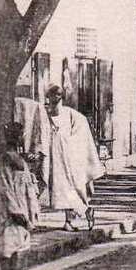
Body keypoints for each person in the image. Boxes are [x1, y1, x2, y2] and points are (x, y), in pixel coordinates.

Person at [0, 122, 41, 270]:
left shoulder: (18, 157)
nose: (19, 137)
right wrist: (15, 210)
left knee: (16, 244)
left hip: (20, 205)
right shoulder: (7, 158)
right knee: (7, 245)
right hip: (9, 208)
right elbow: (5, 186)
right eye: (17, 135)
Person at [44, 85, 104, 231]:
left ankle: (76, 216)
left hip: (68, 157)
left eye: (57, 96)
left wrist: (72, 147)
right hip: (54, 157)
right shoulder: (45, 114)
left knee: (70, 188)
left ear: (61, 97)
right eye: (52, 96)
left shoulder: (70, 114)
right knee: (60, 190)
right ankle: (78, 215)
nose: (54, 99)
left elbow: (81, 129)